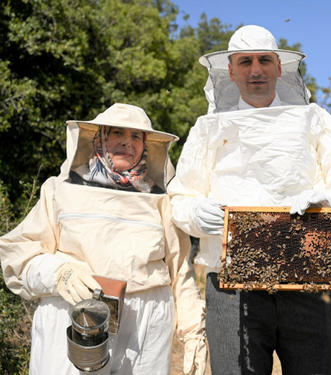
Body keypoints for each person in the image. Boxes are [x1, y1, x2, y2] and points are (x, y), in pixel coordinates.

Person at [168, 25, 331, 375]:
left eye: (264, 60)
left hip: (307, 277)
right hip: (230, 283)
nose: (256, 70)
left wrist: (330, 198)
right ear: (230, 71)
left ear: (279, 66)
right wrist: (197, 214)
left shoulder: (314, 119)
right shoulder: (207, 128)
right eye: (245, 62)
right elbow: (180, 198)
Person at [0, 103, 207, 375]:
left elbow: (179, 269)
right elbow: (18, 255)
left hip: (144, 326)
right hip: (72, 316)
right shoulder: (58, 190)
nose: (127, 142)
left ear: (146, 146)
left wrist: (193, 330)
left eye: (136, 137)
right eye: (117, 132)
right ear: (98, 138)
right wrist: (59, 272)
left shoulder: (161, 201)